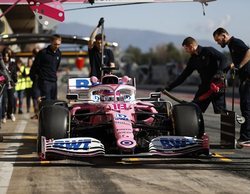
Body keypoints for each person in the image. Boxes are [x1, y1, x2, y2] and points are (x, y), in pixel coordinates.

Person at [162, 37, 227, 114]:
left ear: (191, 46)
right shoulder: (192, 60)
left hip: (216, 86)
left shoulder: (208, 50)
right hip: (205, 87)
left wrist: (219, 72)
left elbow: (223, 58)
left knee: (223, 112)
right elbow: (183, 76)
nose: (186, 51)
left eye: (186, 48)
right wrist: (168, 88)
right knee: (194, 108)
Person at [213, 27, 250, 145]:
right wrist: (231, 67)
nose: (218, 43)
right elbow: (238, 60)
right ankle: (245, 136)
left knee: (246, 107)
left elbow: (249, 52)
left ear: (223, 35)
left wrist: (240, 66)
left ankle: (246, 137)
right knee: (245, 107)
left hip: (248, 79)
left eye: (218, 40)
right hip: (244, 79)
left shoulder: (236, 42)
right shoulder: (231, 45)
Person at [30, 34, 62, 100]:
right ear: (51, 42)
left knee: (54, 101)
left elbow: (56, 66)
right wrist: (35, 79)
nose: (57, 46)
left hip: (53, 81)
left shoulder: (59, 53)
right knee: (46, 101)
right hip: (44, 81)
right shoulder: (43, 53)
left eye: (58, 44)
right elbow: (35, 66)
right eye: (55, 44)